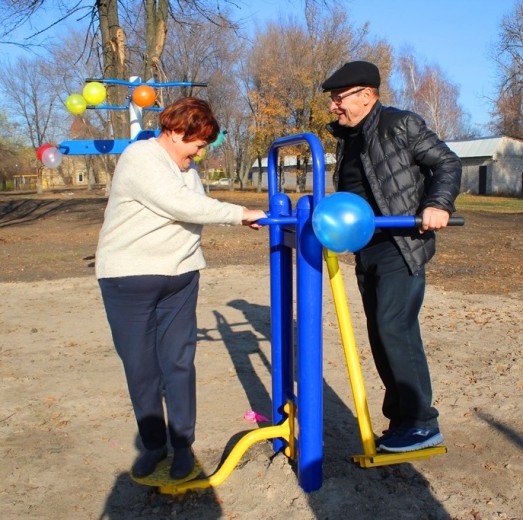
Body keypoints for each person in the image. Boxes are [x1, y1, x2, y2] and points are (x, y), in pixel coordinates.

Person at [96, 97, 266, 479]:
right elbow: (181, 206)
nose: (200, 153)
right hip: (129, 280)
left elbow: (197, 203)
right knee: (141, 368)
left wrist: (237, 215)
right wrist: (240, 214)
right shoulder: (140, 158)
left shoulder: (186, 168)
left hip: (181, 278)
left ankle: (183, 444)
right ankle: (155, 444)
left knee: (178, 362)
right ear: (174, 132)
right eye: (197, 144)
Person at [322, 61, 461, 452]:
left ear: (367, 96)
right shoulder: (349, 137)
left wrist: (438, 203)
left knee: (393, 326)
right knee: (381, 334)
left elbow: (446, 162)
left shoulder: (401, 123)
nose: (334, 106)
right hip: (368, 245)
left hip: (401, 241)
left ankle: (421, 423)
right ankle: (402, 419)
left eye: (339, 98)